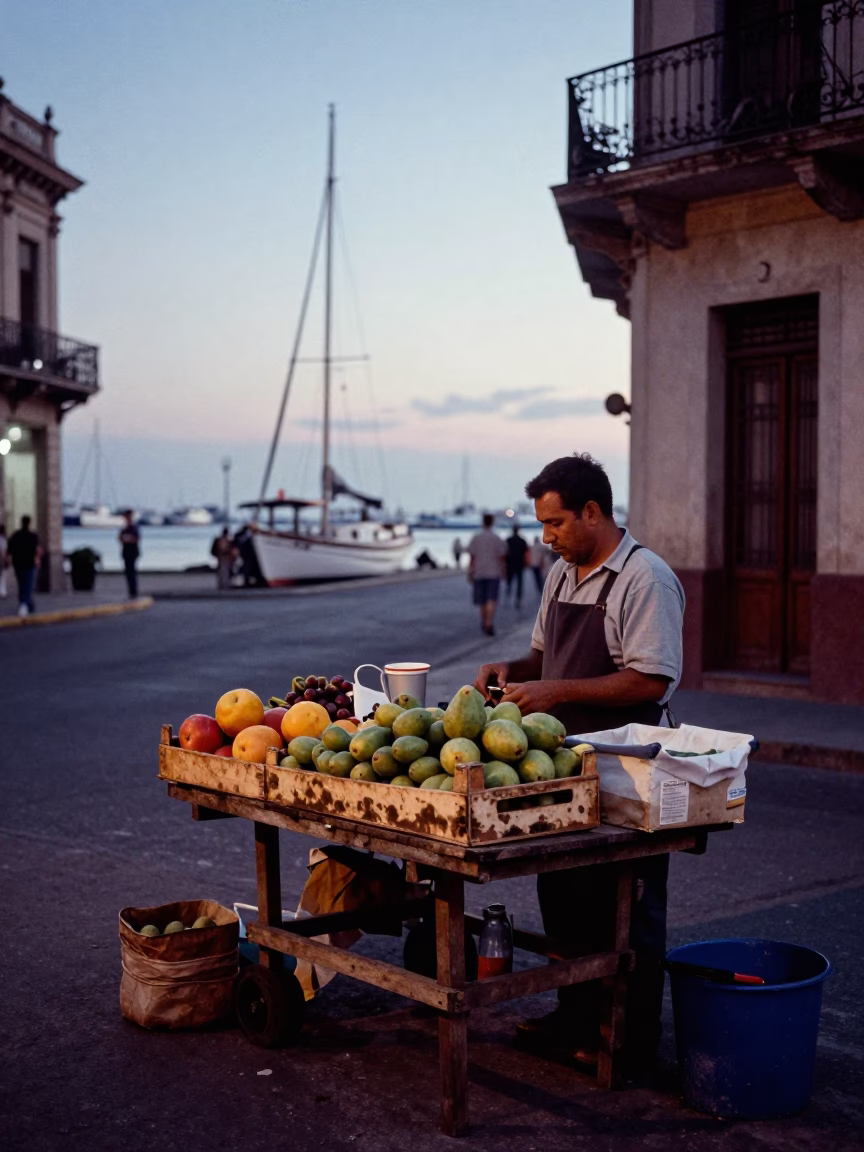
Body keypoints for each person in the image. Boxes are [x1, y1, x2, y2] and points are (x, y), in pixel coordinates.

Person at [474, 452, 684, 1073]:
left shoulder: (645, 579)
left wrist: (558, 692)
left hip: (628, 774)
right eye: (542, 525)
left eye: (557, 523)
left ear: (593, 512)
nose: (547, 537)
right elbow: (544, 657)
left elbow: (651, 681)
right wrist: (509, 672)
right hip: (562, 770)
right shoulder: (562, 575)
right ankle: (573, 1022)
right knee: (563, 897)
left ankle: (627, 1044)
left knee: (626, 909)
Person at [467, 513, 506, 636]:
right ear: (492, 522)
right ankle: (489, 623)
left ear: (483, 522)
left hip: (479, 572)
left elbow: (472, 557)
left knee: (482, 600)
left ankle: (484, 622)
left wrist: (470, 571)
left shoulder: (476, 538)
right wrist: (504, 570)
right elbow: (502, 556)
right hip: (494, 572)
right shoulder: (496, 538)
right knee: (491, 599)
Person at [8, 515, 43, 617]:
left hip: (18, 563)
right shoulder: (33, 536)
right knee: (28, 585)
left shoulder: (16, 535)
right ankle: (24, 605)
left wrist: (9, 560)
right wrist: (38, 560)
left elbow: (9, 550)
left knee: (22, 584)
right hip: (29, 564)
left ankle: (28, 604)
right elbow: (38, 550)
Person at [505, 525, 529, 607]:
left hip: (510, 564)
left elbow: (505, 552)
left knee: (509, 581)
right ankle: (518, 599)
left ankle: (508, 595)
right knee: (519, 583)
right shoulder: (522, 541)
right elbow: (526, 553)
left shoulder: (508, 540)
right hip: (520, 564)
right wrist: (526, 563)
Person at [118, 510, 140, 599]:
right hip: (126, 551)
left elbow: (135, 538)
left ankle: (133, 591)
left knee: (132, 572)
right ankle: (131, 591)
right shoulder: (125, 529)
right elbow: (120, 538)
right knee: (128, 572)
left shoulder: (134, 528)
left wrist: (127, 539)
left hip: (132, 552)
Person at [0, 523, 7, 599]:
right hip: (1, 560)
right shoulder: (3, 539)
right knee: (3, 576)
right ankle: (2, 592)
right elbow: (3, 551)